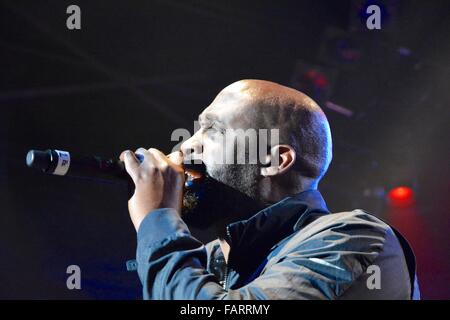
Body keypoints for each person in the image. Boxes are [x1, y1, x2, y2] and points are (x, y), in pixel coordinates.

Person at [120, 79, 420, 299]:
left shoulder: (352, 237)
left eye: (212, 130)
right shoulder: (208, 260)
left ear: (276, 160)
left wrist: (158, 219)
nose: (186, 145)